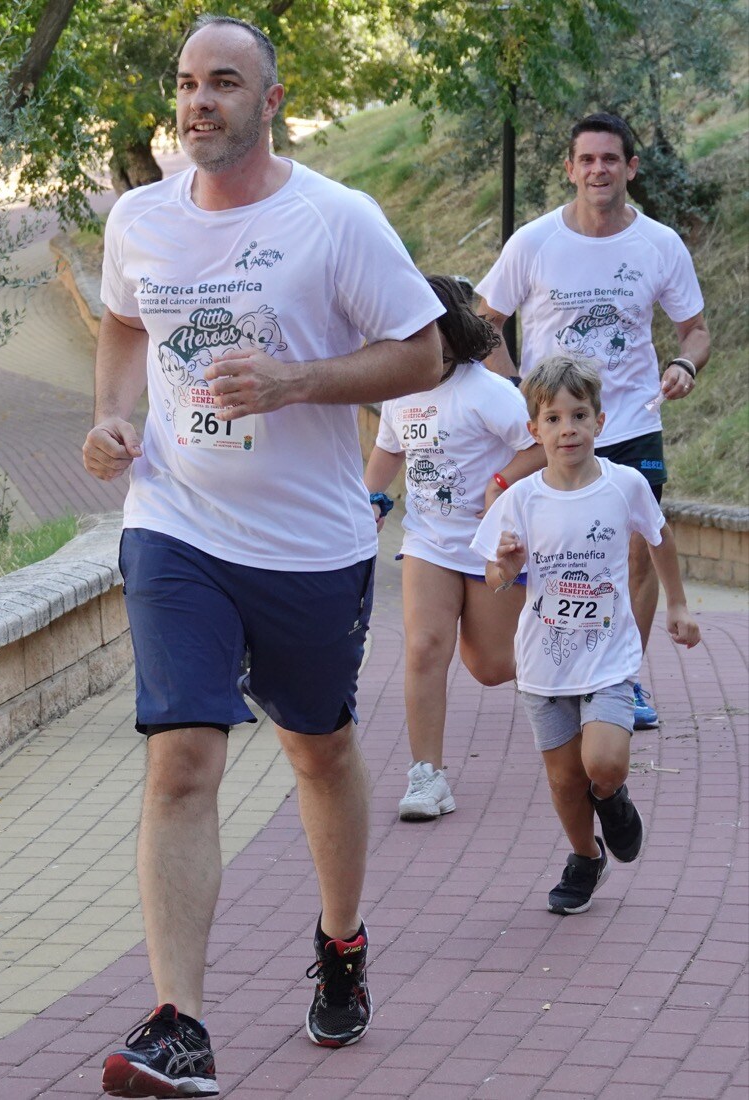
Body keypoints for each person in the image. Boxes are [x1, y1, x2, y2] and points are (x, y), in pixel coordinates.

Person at [82, 14, 444, 1098]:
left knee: (315, 746)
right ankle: (176, 1021)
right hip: (175, 521)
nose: (198, 103)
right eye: (187, 84)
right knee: (181, 755)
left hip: (310, 543)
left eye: (223, 84)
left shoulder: (335, 218)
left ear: (269, 101)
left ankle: (340, 939)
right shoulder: (139, 219)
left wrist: (296, 381)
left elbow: (420, 351)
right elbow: (120, 326)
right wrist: (109, 417)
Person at [475, 112, 710, 731]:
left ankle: (620, 680)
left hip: (632, 418)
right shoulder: (534, 242)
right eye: (587, 160)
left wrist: (685, 364)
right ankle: (564, 671)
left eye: (611, 159)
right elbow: (483, 321)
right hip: (560, 427)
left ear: (630, 168)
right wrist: (518, 389)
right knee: (563, 555)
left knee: (637, 551)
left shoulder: (659, 244)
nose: (598, 169)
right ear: (570, 169)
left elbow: (696, 331)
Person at [471, 355, 699, 915]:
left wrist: (678, 604)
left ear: (600, 421)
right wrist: (507, 564)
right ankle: (585, 857)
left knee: (603, 764)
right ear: (535, 430)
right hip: (545, 662)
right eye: (553, 418)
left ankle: (612, 796)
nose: (566, 428)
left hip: (608, 655)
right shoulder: (520, 500)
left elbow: (659, 538)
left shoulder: (625, 485)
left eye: (579, 415)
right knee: (562, 777)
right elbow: (493, 577)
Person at [364, 275, 545, 821]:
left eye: (426, 325)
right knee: (424, 648)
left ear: (449, 329)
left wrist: (501, 483)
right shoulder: (399, 393)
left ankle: (572, 664)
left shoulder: (487, 392)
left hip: (491, 545)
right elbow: (388, 454)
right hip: (428, 542)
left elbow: (541, 446)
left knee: (490, 666)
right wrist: (367, 503)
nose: (415, 336)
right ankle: (428, 777)